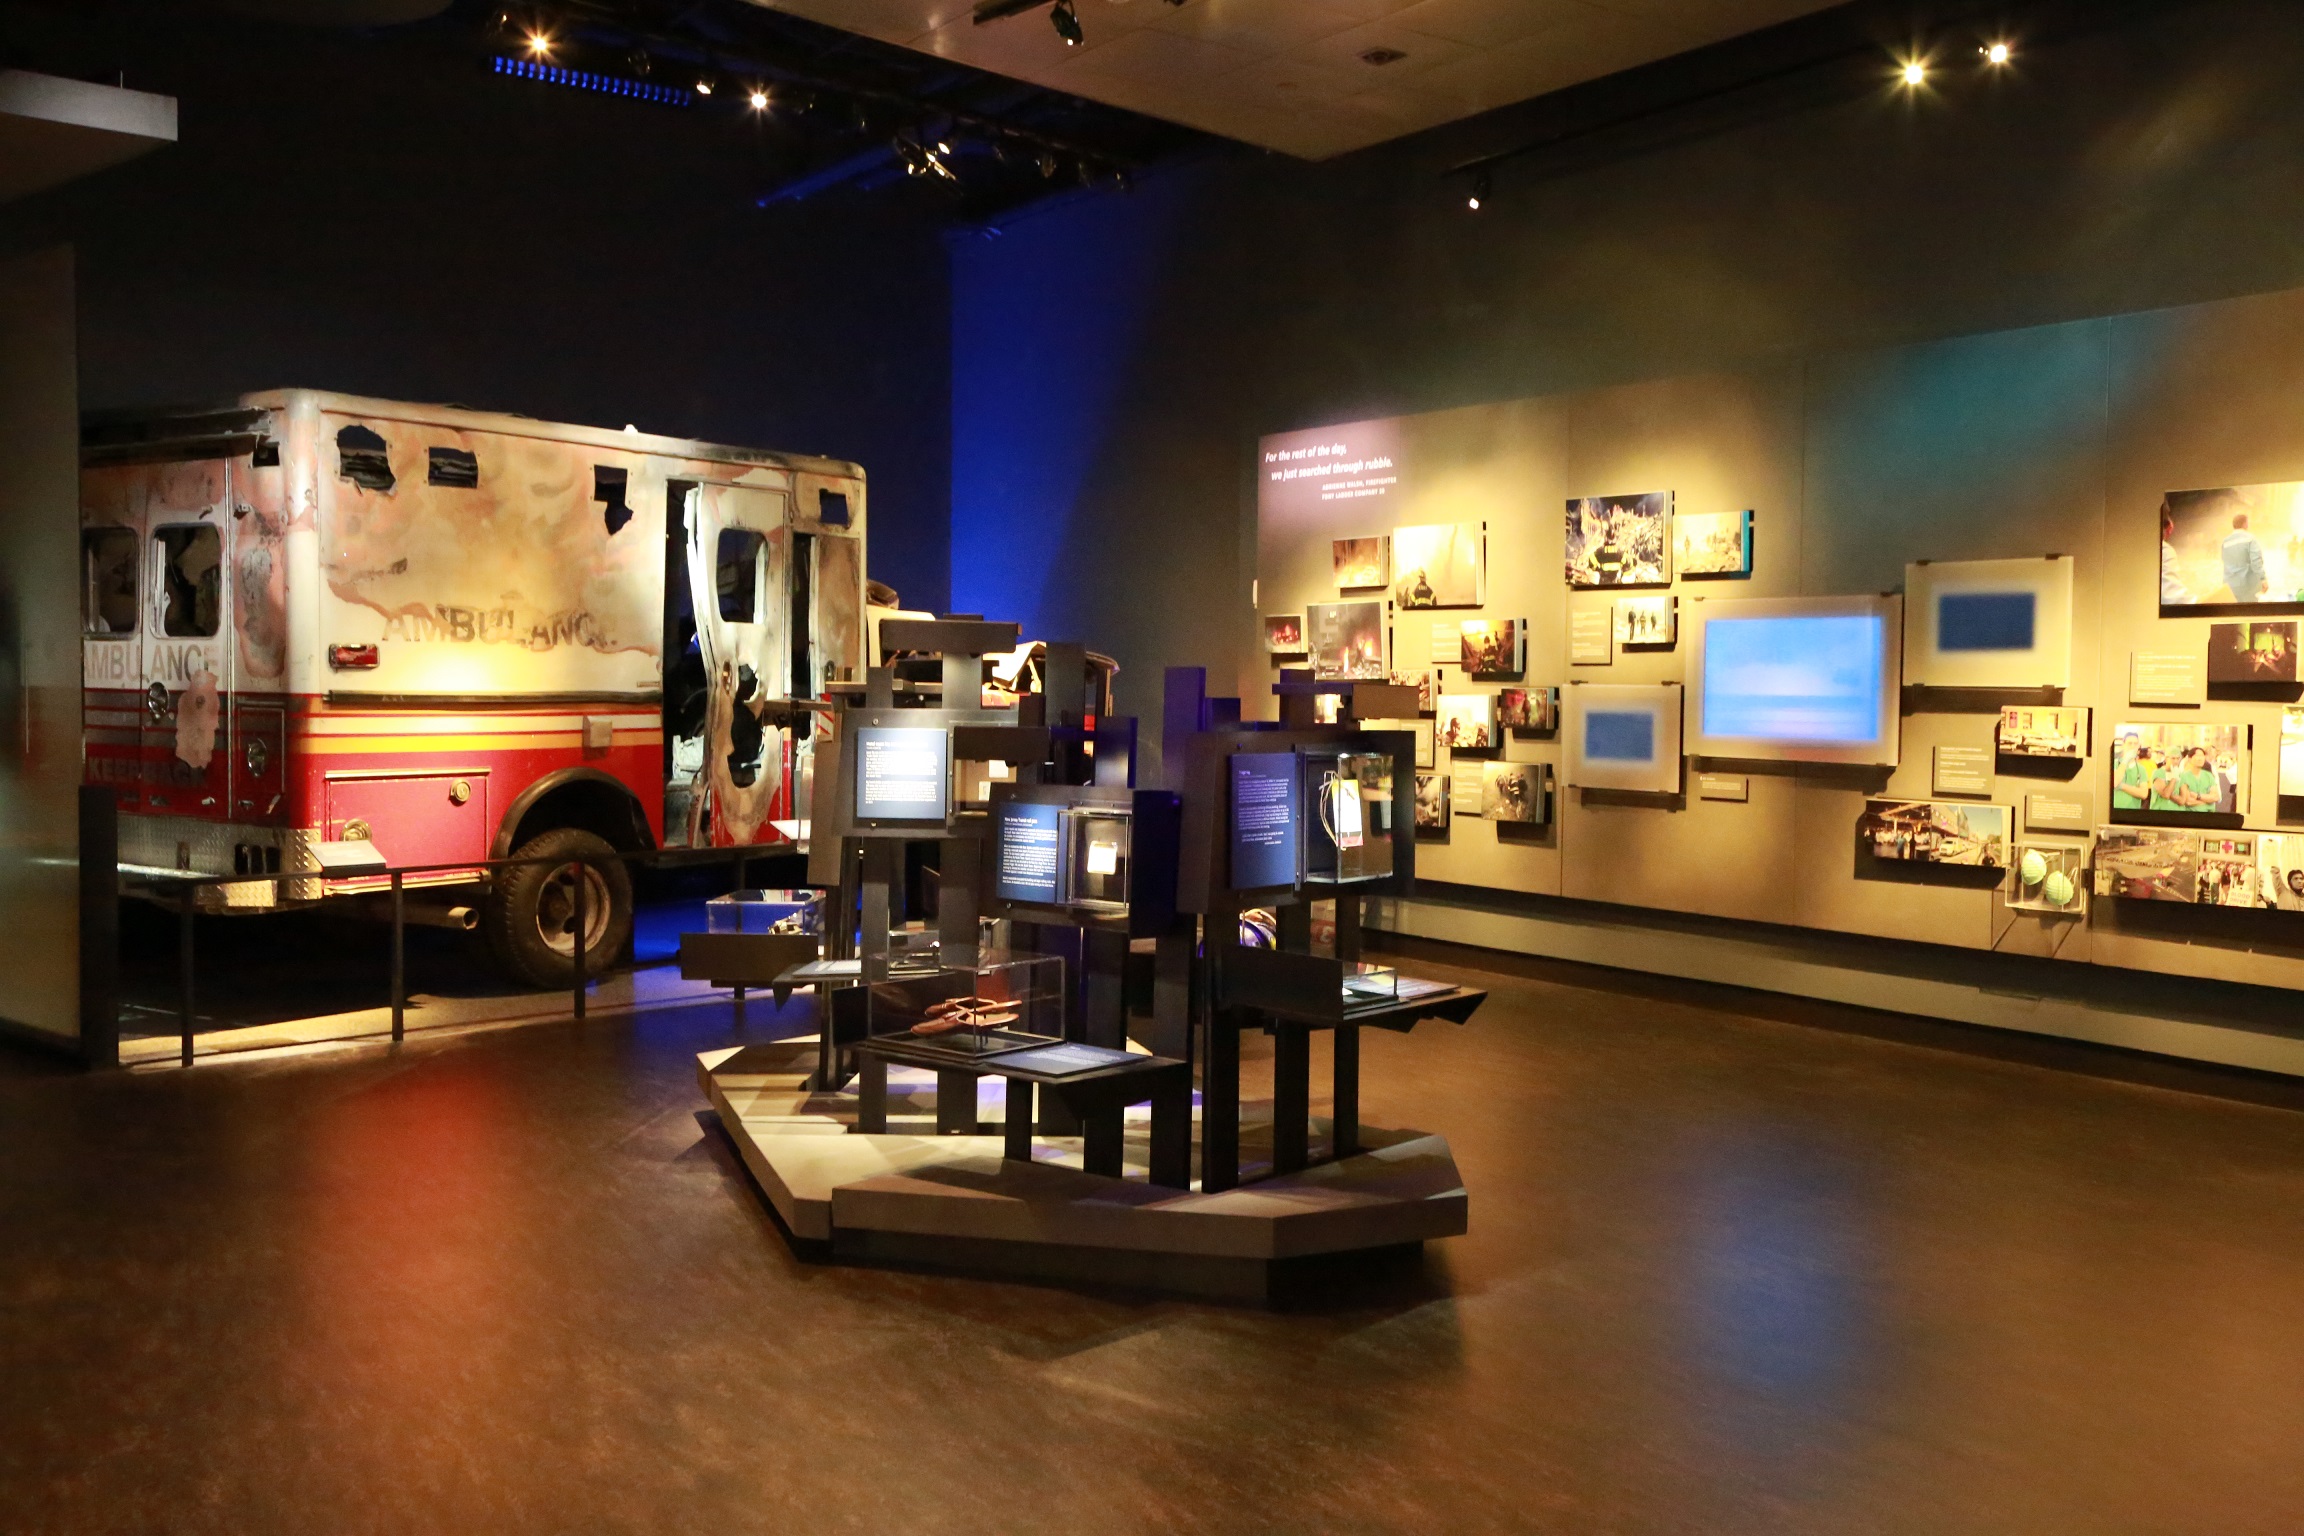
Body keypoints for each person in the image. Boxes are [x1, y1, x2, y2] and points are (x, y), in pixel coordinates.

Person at [2223, 511, 2269, 602]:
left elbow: (2226, 563)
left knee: (2234, 613)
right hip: (2247, 586)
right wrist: (2263, 579)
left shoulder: (2225, 542)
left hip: (2229, 586)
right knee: (2248, 612)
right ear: (2244, 524)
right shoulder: (2250, 539)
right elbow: (2256, 561)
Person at [2113, 741, 2153, 810]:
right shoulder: (2115, 764)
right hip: (2115, 811)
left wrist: (2122, 786)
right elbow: (2115, 782)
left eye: (2135, 744)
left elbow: (2143, 794)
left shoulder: (2141, 769)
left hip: (2133, 812)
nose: (2132, 746)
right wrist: (2125, 760)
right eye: (2129, 743)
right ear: (2123, 746)